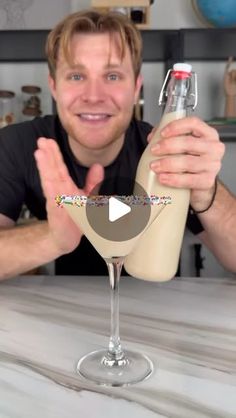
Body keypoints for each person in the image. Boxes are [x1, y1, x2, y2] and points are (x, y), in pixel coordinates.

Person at [0, 9, 234, 280]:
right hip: (68, 309)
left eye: (112, 76)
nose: (94, 96)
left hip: (158, 305)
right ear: (54, 86)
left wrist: (208, 192)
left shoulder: (167, 153)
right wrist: (53, 238)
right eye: (77, 76)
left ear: (136, 88)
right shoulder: (19, 145)